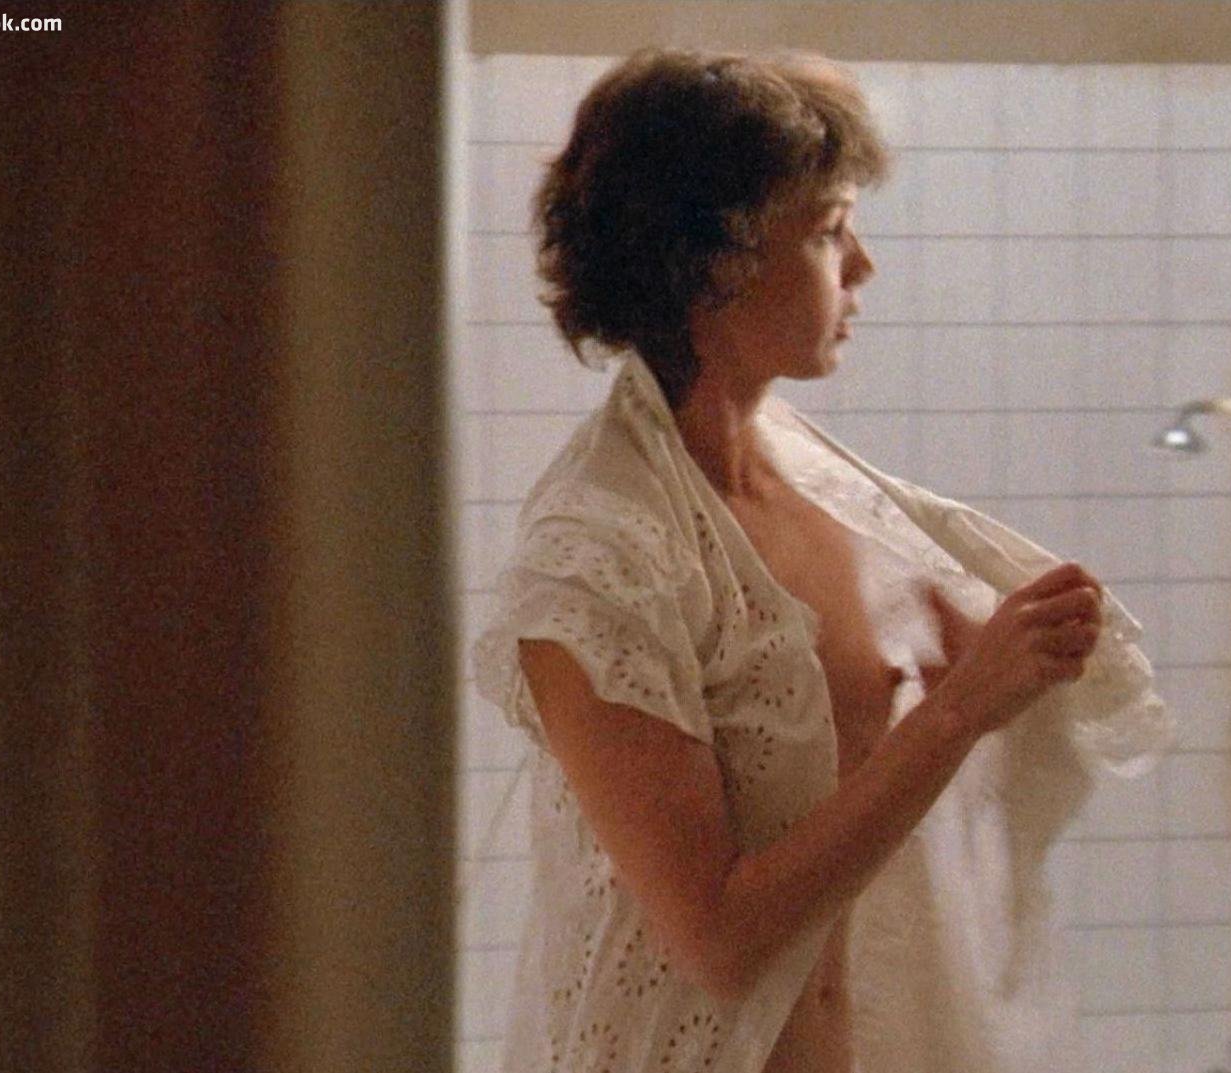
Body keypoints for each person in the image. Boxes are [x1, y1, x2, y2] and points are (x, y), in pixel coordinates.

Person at [471, 48, 1168, 1073]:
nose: (863, 266)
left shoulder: (815, 488)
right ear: (715, 259)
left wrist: (1006, 658)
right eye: (830, 230)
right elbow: (716, 942)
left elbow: (875, 763)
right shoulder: (596, 555)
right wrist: (960, 707)